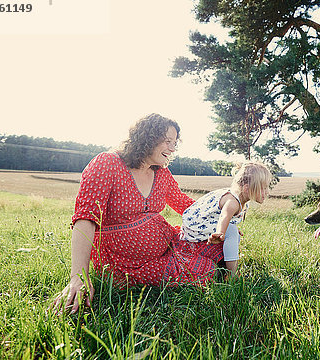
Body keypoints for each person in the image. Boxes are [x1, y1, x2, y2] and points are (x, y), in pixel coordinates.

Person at [52, 114, 223, 314]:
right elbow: (85, 218)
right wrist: (79, 276)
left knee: (217, 250)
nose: (172, 148)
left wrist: (221, 218)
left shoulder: (161, 172)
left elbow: (186, 205)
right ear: (147, 137)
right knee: (207, 269)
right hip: (126, 263)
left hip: (168, 244)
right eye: (168, 141)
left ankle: (181, 255)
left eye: (175, 143)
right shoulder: (107, 164)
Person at [179, 162, 271, 277]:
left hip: (201, 224)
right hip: (195, 228)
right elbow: (224, 216)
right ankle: (232, 275)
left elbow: (220, 216)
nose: (267, 192)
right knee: (232, 233)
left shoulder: (241, 199)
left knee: (234, 233)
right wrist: (221, 232)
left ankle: (226, 264)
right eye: (263, 188)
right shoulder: (232, 202)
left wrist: (229, 227)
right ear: (247, 188)